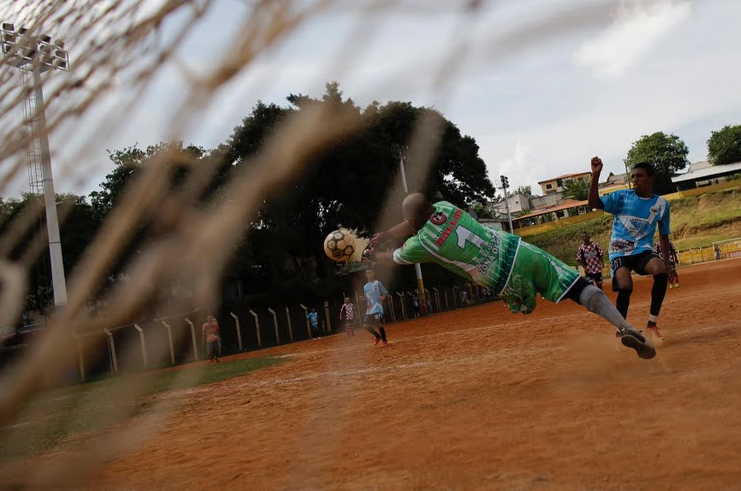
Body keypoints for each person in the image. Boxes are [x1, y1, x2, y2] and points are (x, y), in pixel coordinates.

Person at [366, 193, 655, 359]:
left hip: (503, 277)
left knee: (525, 304)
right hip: (517, 249)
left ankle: (529, 301)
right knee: (577, 286)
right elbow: (415, 218)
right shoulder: (445, 207)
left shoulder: (422, 243)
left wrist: (373, 253)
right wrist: (388, 233)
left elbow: (393, 259)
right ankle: (624, 325)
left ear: (414, 221)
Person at [588, 157, 677, 342]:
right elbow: (594, 203)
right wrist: (595, 176)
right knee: (626, 285)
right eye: (633, 176)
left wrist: (669, 264)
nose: (635, 179)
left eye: (640, 176)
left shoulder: (661, 205)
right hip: (619, 250)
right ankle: (621, 330)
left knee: (660, 270)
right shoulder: (622, 197)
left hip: (642, 250)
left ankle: (652, 324)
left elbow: (664, 236)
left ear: (651, 178)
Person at [362, 267, 389, 347]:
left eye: (370, 272)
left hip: (377, 307)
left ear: (373, 273)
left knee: (378, 323)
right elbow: (366, 298)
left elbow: (384, 291)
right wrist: (364, 300)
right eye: (367, 273)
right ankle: (377, 337)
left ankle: (384, 341)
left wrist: (383, 297)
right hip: (369, 309)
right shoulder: (365, 286)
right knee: (365, 326)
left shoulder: (377, 283)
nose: (369, 274)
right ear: (365, 275)